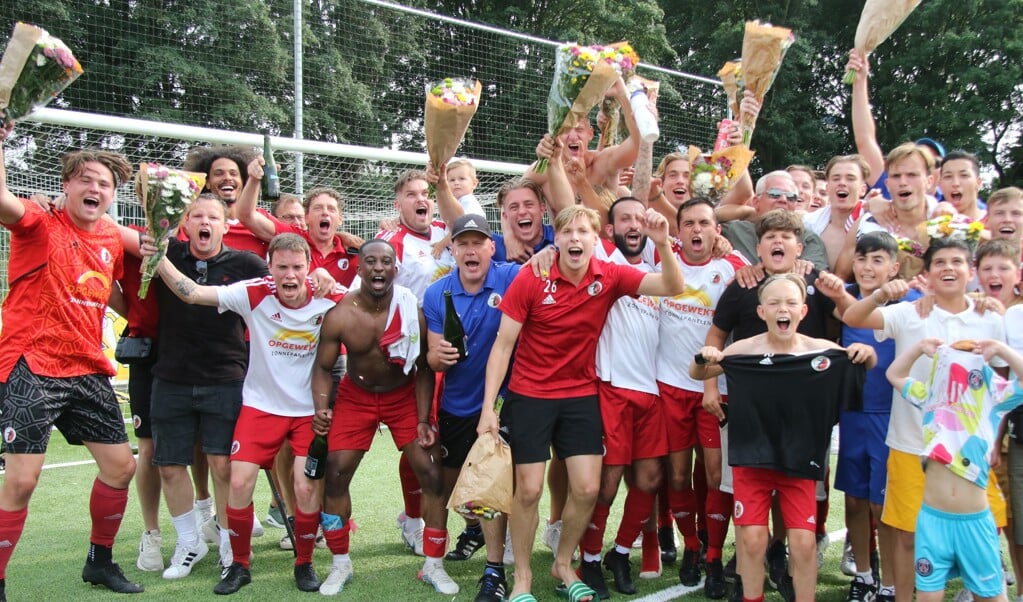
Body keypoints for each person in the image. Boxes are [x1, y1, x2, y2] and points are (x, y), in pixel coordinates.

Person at [478, 203, 684, 602]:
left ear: (596, 239)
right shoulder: (531, 278)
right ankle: (520, 578)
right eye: (567, 232)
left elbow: (671, 286)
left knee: (588, 489)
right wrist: (489, 408)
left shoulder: (609, 275)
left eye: (583, 232)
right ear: (557, 239)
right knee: (529, 491)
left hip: (580, 396)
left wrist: (663, 243)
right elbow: (503, 346)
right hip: (530, 396)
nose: (575, 239)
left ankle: (562, 564)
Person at [0, 127, 142, 597]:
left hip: (86, 368)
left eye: (104, 183)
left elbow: (121, 291)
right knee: (21, 481)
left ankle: (99, 562)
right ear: (66, 185)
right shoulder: (39, 221)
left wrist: (154, 323)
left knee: (121, 468)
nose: (95, 189)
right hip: (32, 365)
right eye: (86, 180)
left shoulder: (110, 237)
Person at [691, 273, 877, 602]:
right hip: (751, 456)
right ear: (761, 312)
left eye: (791, 302)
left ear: (803, 311)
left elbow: (863, 362)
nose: (783, 309)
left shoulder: (821, 351)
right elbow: (699, 372)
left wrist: (866, 351)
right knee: (751, 540)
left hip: (800, 459)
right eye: (774, 302)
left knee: (804, 544)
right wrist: (704, 356)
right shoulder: (742, 351)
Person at [843, 237, 1009, 602]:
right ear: (928, 273)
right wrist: (882, 294)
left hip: (970, 450)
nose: (949, 268)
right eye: (940, 263)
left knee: (982, 534)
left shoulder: (991, 319)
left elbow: (1004, 384)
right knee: (906, 535)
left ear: (971, 272)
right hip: (909, 443)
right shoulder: (909, 312)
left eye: (957, 262)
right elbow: (852, 316)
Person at [312, 239, 458, 596]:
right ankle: (340, 563)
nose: (379, 268)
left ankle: (434, 565)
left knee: (432, 473)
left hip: (403, 395)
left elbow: (424, 367)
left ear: (396, 268)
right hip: (356, 396)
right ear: (359, 268)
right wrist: (321, 406)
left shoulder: (412, 308)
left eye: (386, 262)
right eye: (371, 262)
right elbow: (322, 367)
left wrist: (424, 418)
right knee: (335, 474)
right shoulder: (341, 314)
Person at [150, 194, 271, 580]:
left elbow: (287, 285)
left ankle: (227, 542)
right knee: (169, 466)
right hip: (171, 376)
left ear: (226, 223)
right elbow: (123, 236)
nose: (205, 223)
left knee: (222, 465)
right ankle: (189, 542)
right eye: (197, 216)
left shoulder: (246, 264)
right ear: (185, 223)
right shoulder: (166, 249)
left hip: (226, 378)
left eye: (213, 217)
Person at [423, 214, 523, 602]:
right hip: (457, 404)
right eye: (462, 243)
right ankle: (471, 532)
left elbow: (551, 257)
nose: (469, 250)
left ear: (490, 248)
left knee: (492, 485)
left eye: (477, 242)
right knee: (455, 491)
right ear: (452, 250)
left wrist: (548, 253)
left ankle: (494, 569)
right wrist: (438, 356)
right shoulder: (437, 294)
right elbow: (431, 359)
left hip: (503, 402)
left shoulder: (510, 278)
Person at [575, 197, 669, 599]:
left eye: (639, 218)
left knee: (649, 480)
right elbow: (571, 206)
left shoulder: (657, 271)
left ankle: (620, 552)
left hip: (652, 391)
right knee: (607, 486)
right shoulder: (607, 261)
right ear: (609, 230)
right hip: (612, 388)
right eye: (624, 218)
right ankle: (590, 560)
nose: (634, 224)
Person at [655, 197, 748, 598]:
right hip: (670, 387)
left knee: (714, 476)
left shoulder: (734, 267)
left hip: (716, 390)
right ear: (679, 231)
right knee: (676, 474)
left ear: (717, 230)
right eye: (689, 223)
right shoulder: (660, 258)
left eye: (705, 223)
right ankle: (691, 546)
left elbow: (771, 278)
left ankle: (713, 556)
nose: (696, 230)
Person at [886, 338, 1023, 602]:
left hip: (974, 521)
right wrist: (917, 348)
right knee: (928, 594)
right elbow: (894, 374)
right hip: (932, 520)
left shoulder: (991, 396)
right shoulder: (930, 395)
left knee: (990, 595)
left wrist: (1001, 350)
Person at [835, 232, 919, 602]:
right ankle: (864, 576)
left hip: (892, 417)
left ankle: (891, 583)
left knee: (883, 504)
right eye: (862, 259)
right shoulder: (843, 298)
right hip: (852, 414)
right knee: (854, 500)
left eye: (878, 260)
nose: (868, 267)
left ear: (895, 267)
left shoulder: (913, 303)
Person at [719, 171, 830, 274]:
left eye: (791, 196)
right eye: (774, 194)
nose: (783, 199)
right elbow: (705, 224)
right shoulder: (735, 230)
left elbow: (816, 277)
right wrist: (715, 238)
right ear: (756, 202)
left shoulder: (808, 239)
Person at [801, 155, 870, 270]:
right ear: (827, 188)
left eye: (850, 178)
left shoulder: (875, 222)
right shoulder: (808, 223)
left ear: (863, 189)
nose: (842, 183)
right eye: (836, 178)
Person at [940, 151, 985, 221]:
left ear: (978, 183)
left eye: (964, 175)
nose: (955, 183)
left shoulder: (993, 224)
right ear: (940, 184)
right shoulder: (931, 227)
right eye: (948, 176)